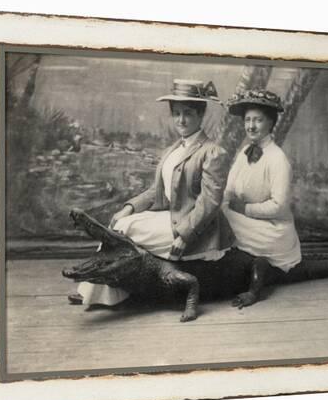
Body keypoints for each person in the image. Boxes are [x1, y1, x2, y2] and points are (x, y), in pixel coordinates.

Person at [68, 79, 234, 306]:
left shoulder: (213, 152)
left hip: (198, 227)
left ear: (200, 115)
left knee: (124, 229)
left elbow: (210, 202)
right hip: (172, 216)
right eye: (176, 114)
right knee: (120, 223)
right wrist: (129, 206)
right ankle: (100, 292)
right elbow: (157, 191)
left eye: (188, 113)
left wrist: (185, 235)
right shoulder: (173, 150)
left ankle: (101, 293)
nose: (181, 120)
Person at [222, 89, 302, 307]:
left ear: (270, 122)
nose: (251, 126)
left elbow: (278, 206)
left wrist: (243, 209)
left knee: (221, 223)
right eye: (247, 120)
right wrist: (219, 205)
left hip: (273, 230)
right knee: (215, 216)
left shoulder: (277, 159)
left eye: (258, 120)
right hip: (247, 223)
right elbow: (228, 189)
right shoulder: (245, 151)